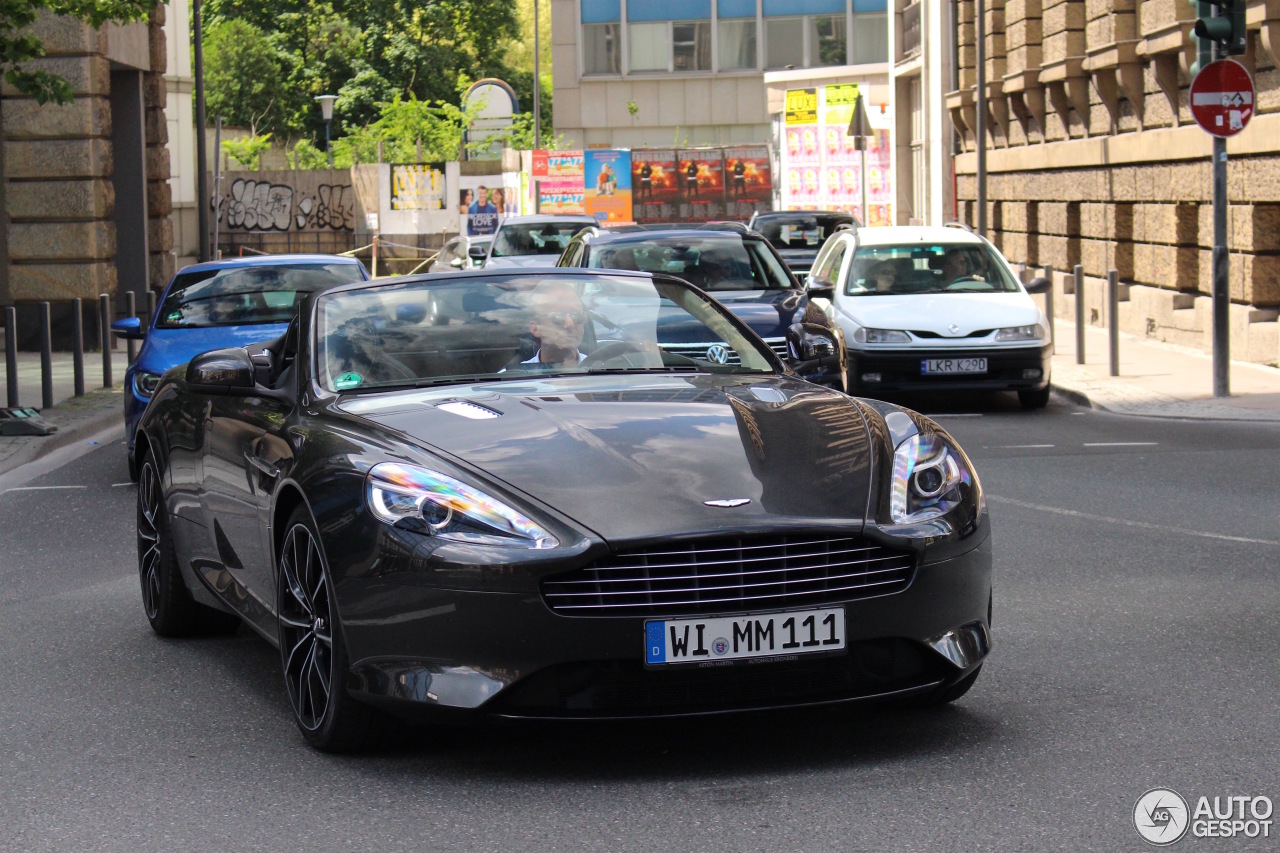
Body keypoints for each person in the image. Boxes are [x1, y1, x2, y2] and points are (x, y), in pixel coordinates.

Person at [522, 284, 589, 368]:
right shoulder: (513, 378)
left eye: (577, 315)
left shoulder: (602, 372)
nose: (570, 324)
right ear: (535, 328)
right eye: (559, 316)